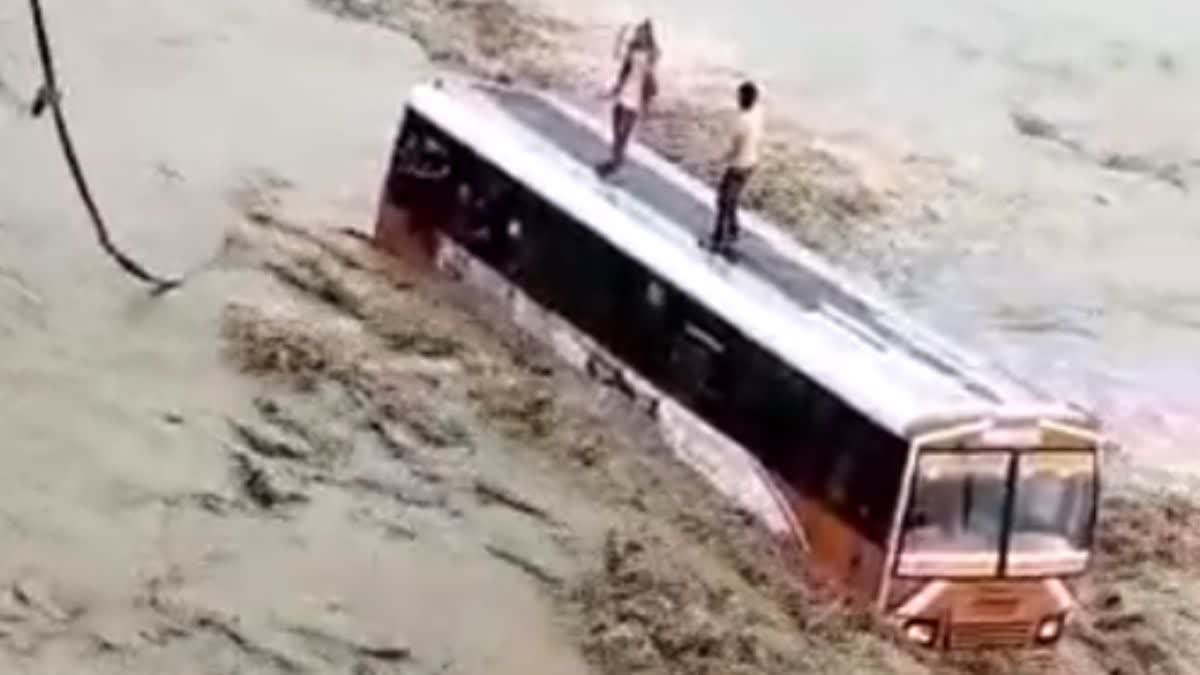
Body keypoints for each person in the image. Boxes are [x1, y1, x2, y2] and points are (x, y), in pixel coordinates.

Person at [596, 19, 660, 177]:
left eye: (641, 33)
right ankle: (616, 159)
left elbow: (651, 74)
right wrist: (619, 36)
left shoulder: (652, 54)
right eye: (637, 33)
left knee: (624, 131)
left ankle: (615, 162)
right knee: (617, 128)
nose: (638, 35)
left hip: (637, 95)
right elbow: (619, 59)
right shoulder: (633, 48)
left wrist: (647, 104)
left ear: (647, 36)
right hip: (626, 89)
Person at [707, 81, 763, 253]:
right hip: (751, 164)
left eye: (739, 96)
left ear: (743, 98)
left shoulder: (742, 121)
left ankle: (718, 238)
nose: (737, 99)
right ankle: (733, 230)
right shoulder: (757, 114)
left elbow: (735, 150)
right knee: (731, 201)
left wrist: (719, 161)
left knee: (723, 201)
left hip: (738, 166)